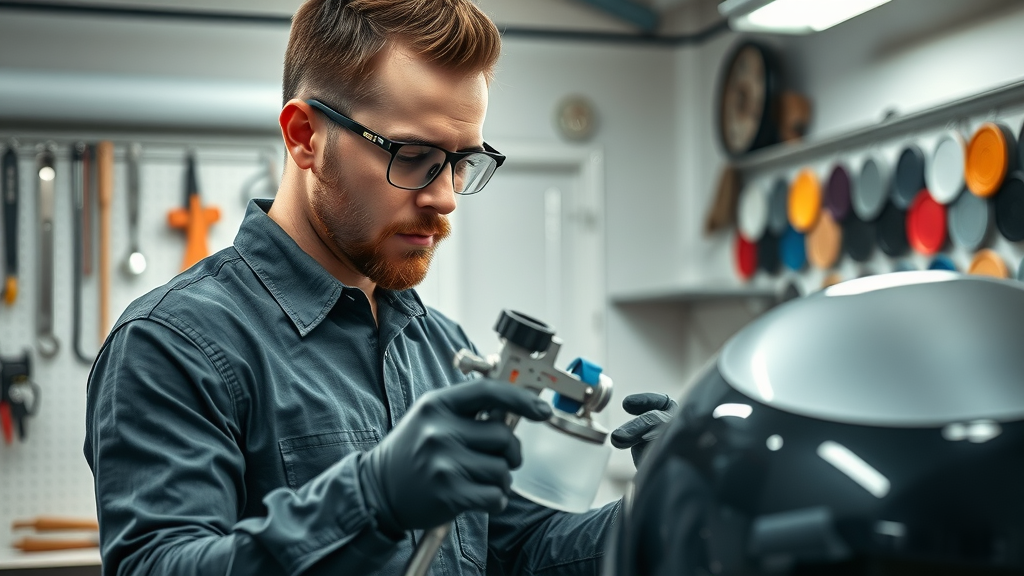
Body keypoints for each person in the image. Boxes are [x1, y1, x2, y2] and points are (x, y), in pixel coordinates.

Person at [84, 1, 674, 574]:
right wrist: (370, 499)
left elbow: (516, 549)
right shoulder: (173, 344)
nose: (444, 197)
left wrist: (660, 506)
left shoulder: (441, 345)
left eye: (462, 162)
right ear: (305, 136)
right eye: (413, 156)